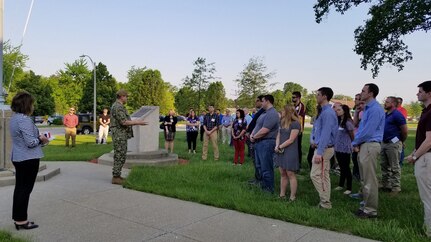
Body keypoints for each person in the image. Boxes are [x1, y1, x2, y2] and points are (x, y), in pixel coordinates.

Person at [10, 92, 49, 230]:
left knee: (20, 189)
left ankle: (18, 218)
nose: (33, 106)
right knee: (25, 190)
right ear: (26, 104)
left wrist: (38, 139)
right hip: (28, 158)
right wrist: (41, 139)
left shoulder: (14, 118)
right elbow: (30, 142)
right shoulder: (24, 120)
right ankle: (21, 220)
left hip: (19, 157)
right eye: (31, 103)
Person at [351, 83, 385, 219]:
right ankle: (365, 206)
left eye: (363, 91)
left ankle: (370, 211)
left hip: (370, 145)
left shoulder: (375, 109)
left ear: (370, 93)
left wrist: (355, 142)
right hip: (365, 145)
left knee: (370, 179)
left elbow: (367, 131)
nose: (361, 93)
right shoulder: (368, 109)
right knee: (365, 178)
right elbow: (362, 128)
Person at [406, 80, 431, 237]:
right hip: (425, 155)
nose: (417, 94)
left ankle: (429, 231)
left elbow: (429, 141)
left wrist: (415, 156)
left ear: (429, 93)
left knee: (427, 197)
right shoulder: (426, 111)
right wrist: (414, 152)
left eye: (420, 91)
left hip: (427, 159)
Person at [110, 89, 148, 185]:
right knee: (120, 155)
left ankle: (117, 175)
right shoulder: (117, 107)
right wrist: (138, 122)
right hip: (119, 135)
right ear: (122, 96)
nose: (127, 98)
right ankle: (116, 177)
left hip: (121, 134)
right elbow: (123, 122)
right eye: (126, 96)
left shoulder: (119, 106)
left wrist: (136, 122)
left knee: (121, 154)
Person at [310, 87, 338, 209]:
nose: (316, 97)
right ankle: (325, 201)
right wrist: (313, 140)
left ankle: (325, 201)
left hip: (325, 149)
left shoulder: (328, 113)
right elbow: (316, 129)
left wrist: (319, 152)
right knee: (323, 174)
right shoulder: (322, 111)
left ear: (325, 96)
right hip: (321, 146)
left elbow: (326, 133)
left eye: (318, 95)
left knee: (315, 174)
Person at [250, 95, 280, 193]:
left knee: (266, 167)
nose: (261, 103)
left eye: (262, 101)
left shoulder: (272, 113)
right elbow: (258, 126)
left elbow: (265, 130)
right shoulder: (264, 113)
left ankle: (268, 189)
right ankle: (262, 185)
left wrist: (254, 137)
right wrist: (252, 134)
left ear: (267, 101)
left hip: (267, 142)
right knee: (259, 166)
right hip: (259, 142)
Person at [380, 96, 407, 195]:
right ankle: (386, 184)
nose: (385, 103)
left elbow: (404, 131)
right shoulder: (386, 114)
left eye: (387, 102)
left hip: (393, 143)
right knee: (384, 165)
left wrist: (400, 141)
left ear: (393, 104)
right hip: (384, 143)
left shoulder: (397, 115)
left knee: (394, 166)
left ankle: (396, 187)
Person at [274, 104, 300, 201]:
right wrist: (277, 145)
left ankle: (292, 197)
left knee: (290, 174)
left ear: (288, 112)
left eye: (283, 111)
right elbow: (278, 135)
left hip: (290, 151)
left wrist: (280, 146)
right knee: (282, 173)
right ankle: (282, 194)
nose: (282, 112)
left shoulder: (295, 123)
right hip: (280, 150)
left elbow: (291, 140)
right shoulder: (282, 122)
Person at [333, 104, 355, 195]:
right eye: (336, 110)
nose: (336, 111)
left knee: (346, 167)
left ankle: (349, 187)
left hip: (345, 148)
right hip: (338, 147)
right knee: (341, 167)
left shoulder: (348, 122)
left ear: (344, 111)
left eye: (339, 110)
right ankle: (341, 184)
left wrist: (354, 145)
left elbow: (352, 135)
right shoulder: (339, 121)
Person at [246, 95, 265, 185]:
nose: (255, 102)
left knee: (258, 161)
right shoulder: (259, 111)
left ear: (262, 101)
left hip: (257, 138)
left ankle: (260, 179)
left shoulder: (263, 112)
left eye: (257, 101)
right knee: (255, 160)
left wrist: (252, 133)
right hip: (253, 136)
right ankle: (257, 178)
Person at [292, 91, 306, 171]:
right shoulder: (294, 106)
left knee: (297, 147)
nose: (292, 99)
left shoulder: (301, 106)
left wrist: (292, 112)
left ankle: (298, 164)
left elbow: (299, 117)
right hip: (293, 128)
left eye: (294, 97)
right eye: (292, 97)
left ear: (298, 98)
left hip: (299, 129)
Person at [351, 94, 364, 181]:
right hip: (355, 138)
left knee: (358, 159)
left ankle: (359, 176)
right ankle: (356, 176)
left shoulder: (362, 112)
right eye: (355, 99)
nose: (355, 100)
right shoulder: (358, 111)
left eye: (357, 99)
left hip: (360, 139)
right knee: (354, 159)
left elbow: (355, 124)